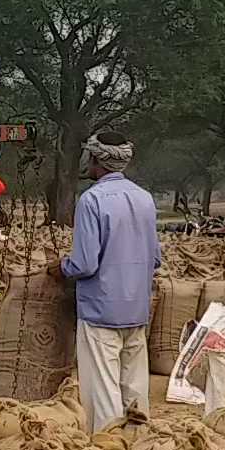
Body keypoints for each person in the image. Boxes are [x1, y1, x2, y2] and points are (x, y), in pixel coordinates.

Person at [48, 131, 161, 432]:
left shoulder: (92, 200)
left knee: (102, 390)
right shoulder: (144, 198)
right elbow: (156, 259)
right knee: (135, 387)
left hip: (100, 312)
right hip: (136, 309)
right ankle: (138, 444)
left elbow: (85, 263)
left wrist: (60, 268)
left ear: (96, 159)